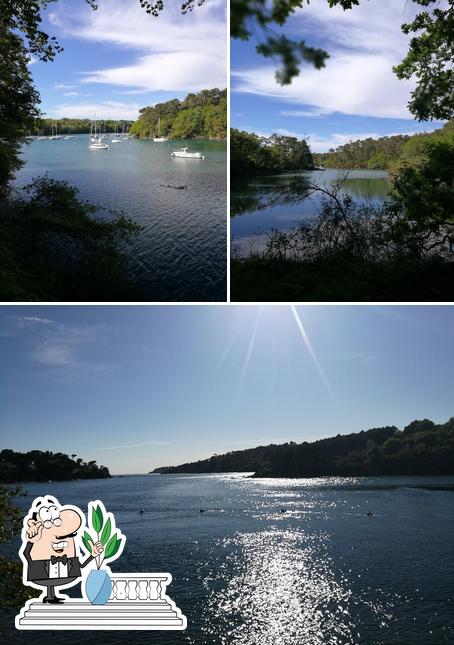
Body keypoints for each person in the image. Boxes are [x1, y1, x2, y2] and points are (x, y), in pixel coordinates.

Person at [21, 497, 103, 603]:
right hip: (42, 569)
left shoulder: (69, 559)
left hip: (63, 569)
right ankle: (50, 596)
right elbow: (25, 553)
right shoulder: (37, 536)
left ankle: (51, 596)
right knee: (48, 581)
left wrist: (93, 555)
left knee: (52, 581)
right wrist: (34, 566)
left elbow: (81, 566)